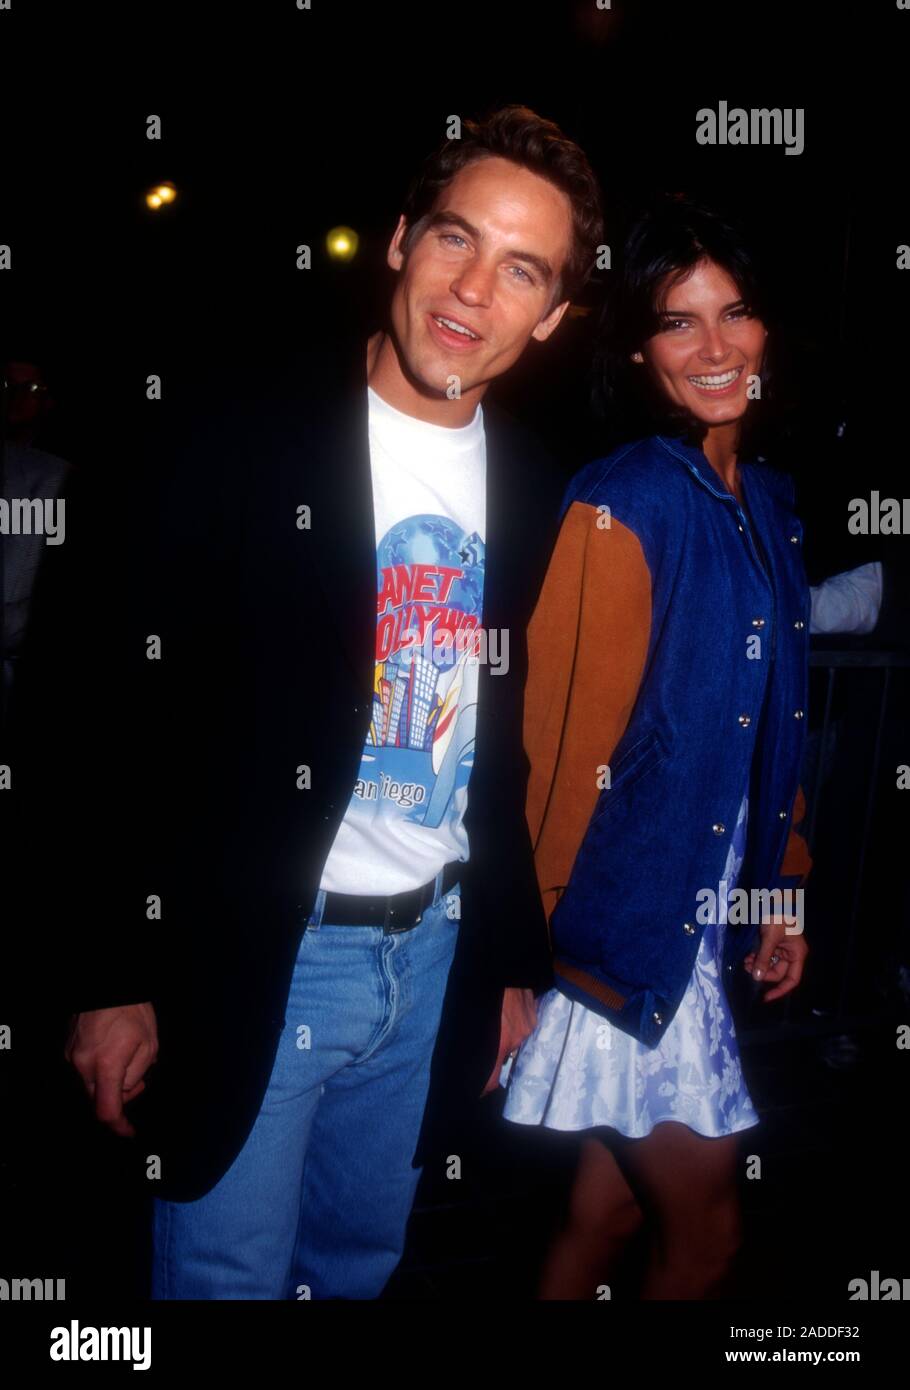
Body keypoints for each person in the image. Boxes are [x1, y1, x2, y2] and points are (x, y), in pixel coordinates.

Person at [62, 105, 605, 1299]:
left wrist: (510, 957)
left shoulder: (541, 491)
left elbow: (502, 747)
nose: (473, 289)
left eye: (522, 270)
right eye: (455, 240)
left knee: (357, 1269)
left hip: (438, 952)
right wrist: (110, 968)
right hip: (258, 949)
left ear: (553, 315)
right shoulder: (228, 435)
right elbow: (94, 709)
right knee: (222, 1277)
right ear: (402, 240)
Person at [501, 196, 813, 1299]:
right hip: (622, 942)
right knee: (709, 1236)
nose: (716, 347)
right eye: (679, 324)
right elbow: (550, 757)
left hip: (697, 915)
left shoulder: (765, 504)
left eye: (734, 313)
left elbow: (774, 730)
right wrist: (524, 963)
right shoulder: (622, 500)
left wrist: (782, 892)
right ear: (638, 349)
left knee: (608, 1207)